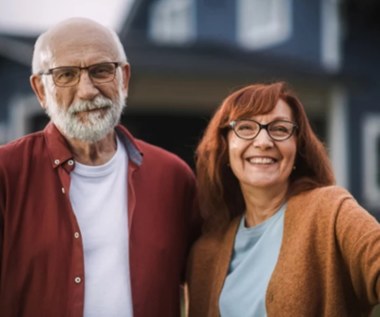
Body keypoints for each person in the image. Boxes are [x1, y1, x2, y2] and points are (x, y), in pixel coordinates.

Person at [0, 17, 200, 317]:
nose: (87, 91)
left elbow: (209, 275)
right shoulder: (7, 172)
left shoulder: (173, 176)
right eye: (65, 75)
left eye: (101, 70)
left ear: (124, 78)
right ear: (41, 91)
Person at [186, 82, 380, 317]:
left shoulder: (329, 211)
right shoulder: (205, 254)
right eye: (246, 128)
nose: (264, 141)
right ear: (225, 146)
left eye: (279, 129)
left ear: (297, 146)